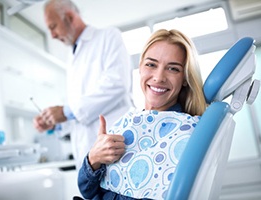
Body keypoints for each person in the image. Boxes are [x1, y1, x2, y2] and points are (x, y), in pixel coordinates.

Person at [77, 29, 207, 199]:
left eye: (173, 69)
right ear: (140, 68)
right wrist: (93, 158)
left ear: (184, 78)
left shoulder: (185, 132)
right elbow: (86, 190)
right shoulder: (128, 123)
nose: (159, 77)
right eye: (151, 64)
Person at [33, 0, 134, 169]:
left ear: (70, 17)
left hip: (114, 148)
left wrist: (65, 111)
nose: (52, 35)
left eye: (53, 26)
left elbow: (117, 84)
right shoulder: (72, 56)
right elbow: (81, 112)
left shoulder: (108, 36)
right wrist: (55, 121)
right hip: (88, 156)